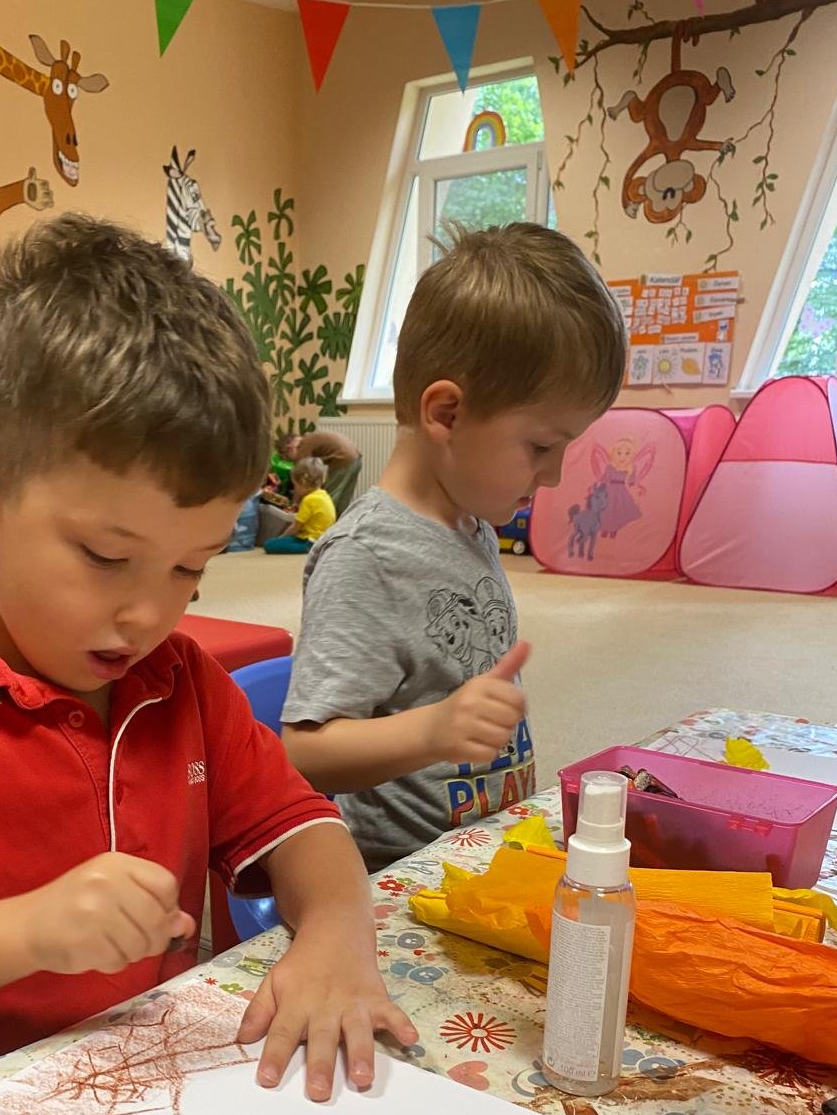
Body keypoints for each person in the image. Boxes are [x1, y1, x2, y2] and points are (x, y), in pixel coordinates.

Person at [0, 216, 416, 1114]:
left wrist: (335, 932)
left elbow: (304, 828)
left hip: (155, 1092)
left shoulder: (180, 684)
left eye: (190, 568)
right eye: (105, 556)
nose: (149, 614)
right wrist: (27, 932)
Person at [281, 222, 626, 873]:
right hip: (401, 879)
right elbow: (302, 753)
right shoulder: (366, 555)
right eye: (541, 446)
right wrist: (433, 731)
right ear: (446, 413)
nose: (554, 476)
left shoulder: (471, 524)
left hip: (483, 857)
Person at [279, 428, 362, 514]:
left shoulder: (302, 448)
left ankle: (324, 520)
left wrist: (294, 504)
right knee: (343, 500)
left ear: (289, 449)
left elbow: (299, 481)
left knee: (329, 499)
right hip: (356, 457)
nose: (292, 462)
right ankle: (341, 520)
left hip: (342, 460)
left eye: (288, 459)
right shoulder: (309, 438)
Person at [263, 456, 336, 554]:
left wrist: (281, 538)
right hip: (323, 538)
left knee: (269, 544)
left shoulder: (309, 499)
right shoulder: (323, 494)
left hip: (310, 541)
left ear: (302, 482)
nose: (295, 490)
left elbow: (295, 527)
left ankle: (309, 549)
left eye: (295, 485)